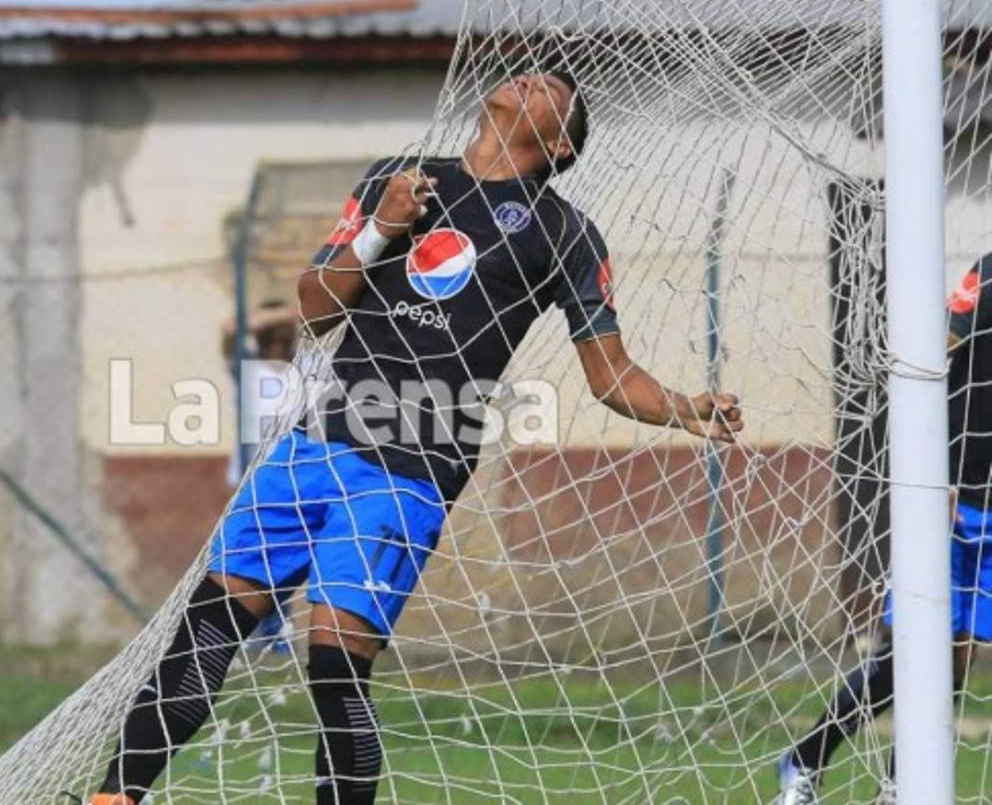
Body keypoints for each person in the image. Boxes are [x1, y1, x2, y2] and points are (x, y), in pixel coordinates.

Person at [90, 69, 743, 805]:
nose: (529, 78)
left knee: (334, 665)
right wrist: (381, 229)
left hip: (409, 470)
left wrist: (688, 408)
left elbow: (610, 373)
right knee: (207, 630)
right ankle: (116, 796)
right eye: (527, 73)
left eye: (551, 89)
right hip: (313, 444)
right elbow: (315, 308)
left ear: (561, 143)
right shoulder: (397, 180)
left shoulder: (563, 233)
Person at [775, 254, 992, 805]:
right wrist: (931, 471)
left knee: (957, 656)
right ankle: (806, 760)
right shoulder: (990, 272)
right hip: (953, 492)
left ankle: (900, 785)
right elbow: (940, 344)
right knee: (915, 649)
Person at [219, 299, 299, 654]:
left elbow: (305, 319)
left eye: (285, 337)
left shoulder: (304, 369)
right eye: (272, 336)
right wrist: (272, 316)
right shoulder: (247, 368)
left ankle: (278, 629)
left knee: (285, 554)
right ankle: (251, 628)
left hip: (293, 475)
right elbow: (228, 329)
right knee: (250, 552)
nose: (279, 344)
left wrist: (287, 318)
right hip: (252, 475)